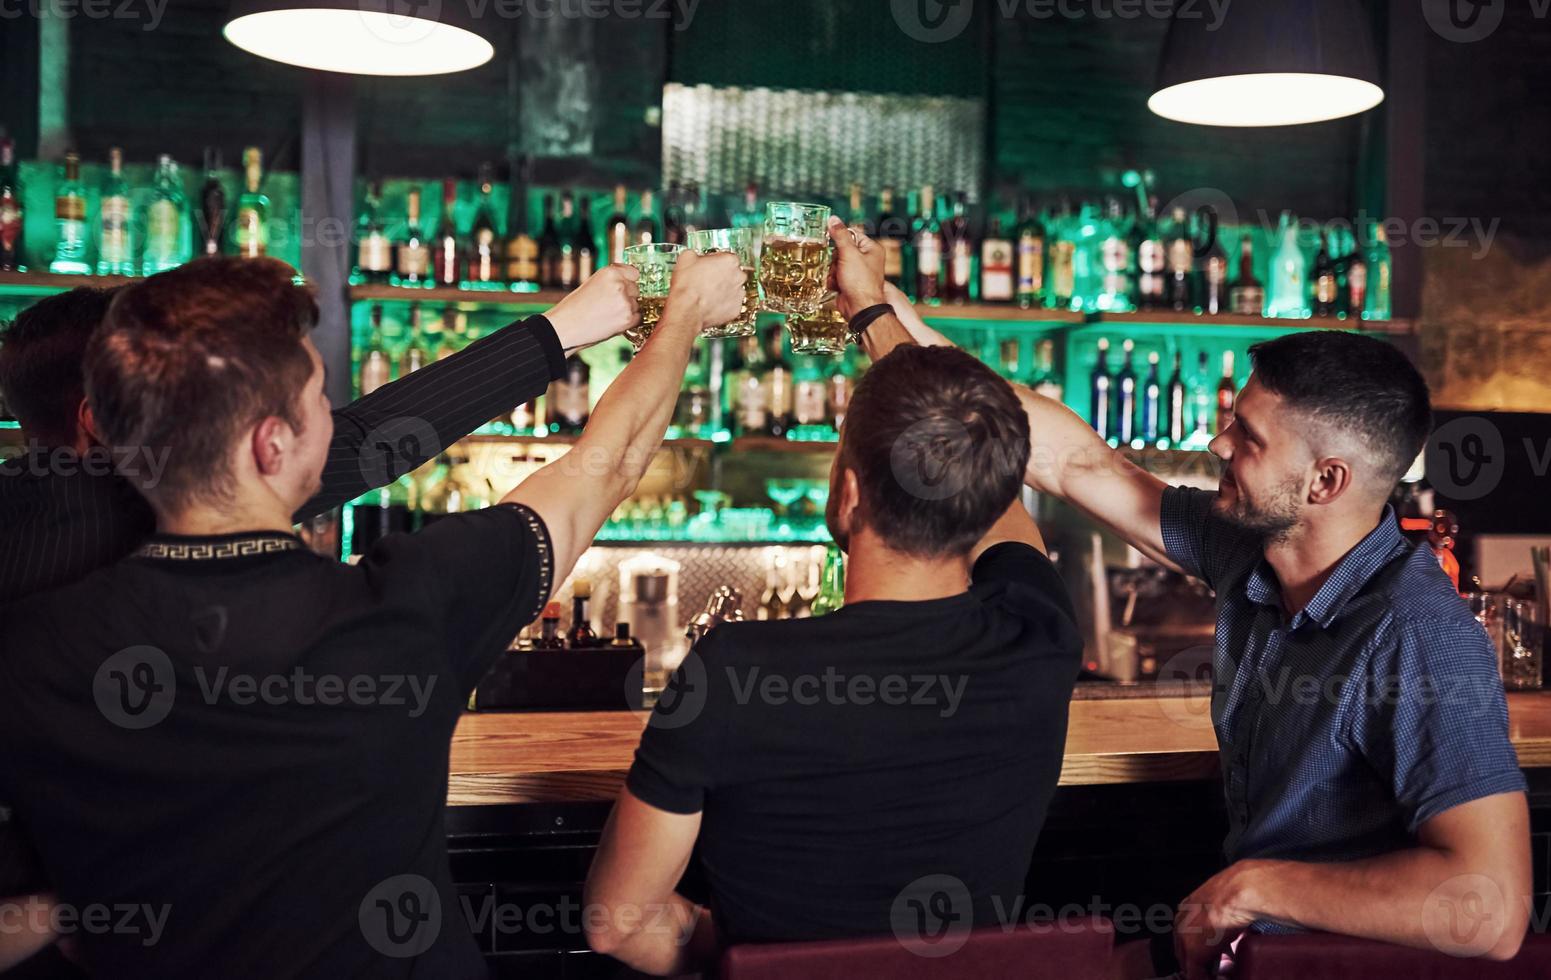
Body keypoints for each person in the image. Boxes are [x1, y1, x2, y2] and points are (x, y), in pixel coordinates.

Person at [0, 252, 746, 978]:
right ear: (272, 444)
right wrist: (680, 315)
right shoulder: (411, 602)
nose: (339, 425)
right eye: (323, 402)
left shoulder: (34, 646)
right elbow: (607, 465)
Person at [866, 261, 1530, 975]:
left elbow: (1489, 908)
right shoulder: (1253, 548)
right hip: (1238, 953)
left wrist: (1255, 886)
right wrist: (890, 325)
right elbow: (1077, 465)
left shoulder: (1417, 632)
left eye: (1245, 437)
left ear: (1324, 480)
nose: (1216, 445)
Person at [583, 222, 1084, 975]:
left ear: (848, 493)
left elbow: (618, 927)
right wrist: (873, 311)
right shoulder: (1039, 633)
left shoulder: (733, 671)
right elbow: (994, 481)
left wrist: (745, 953)